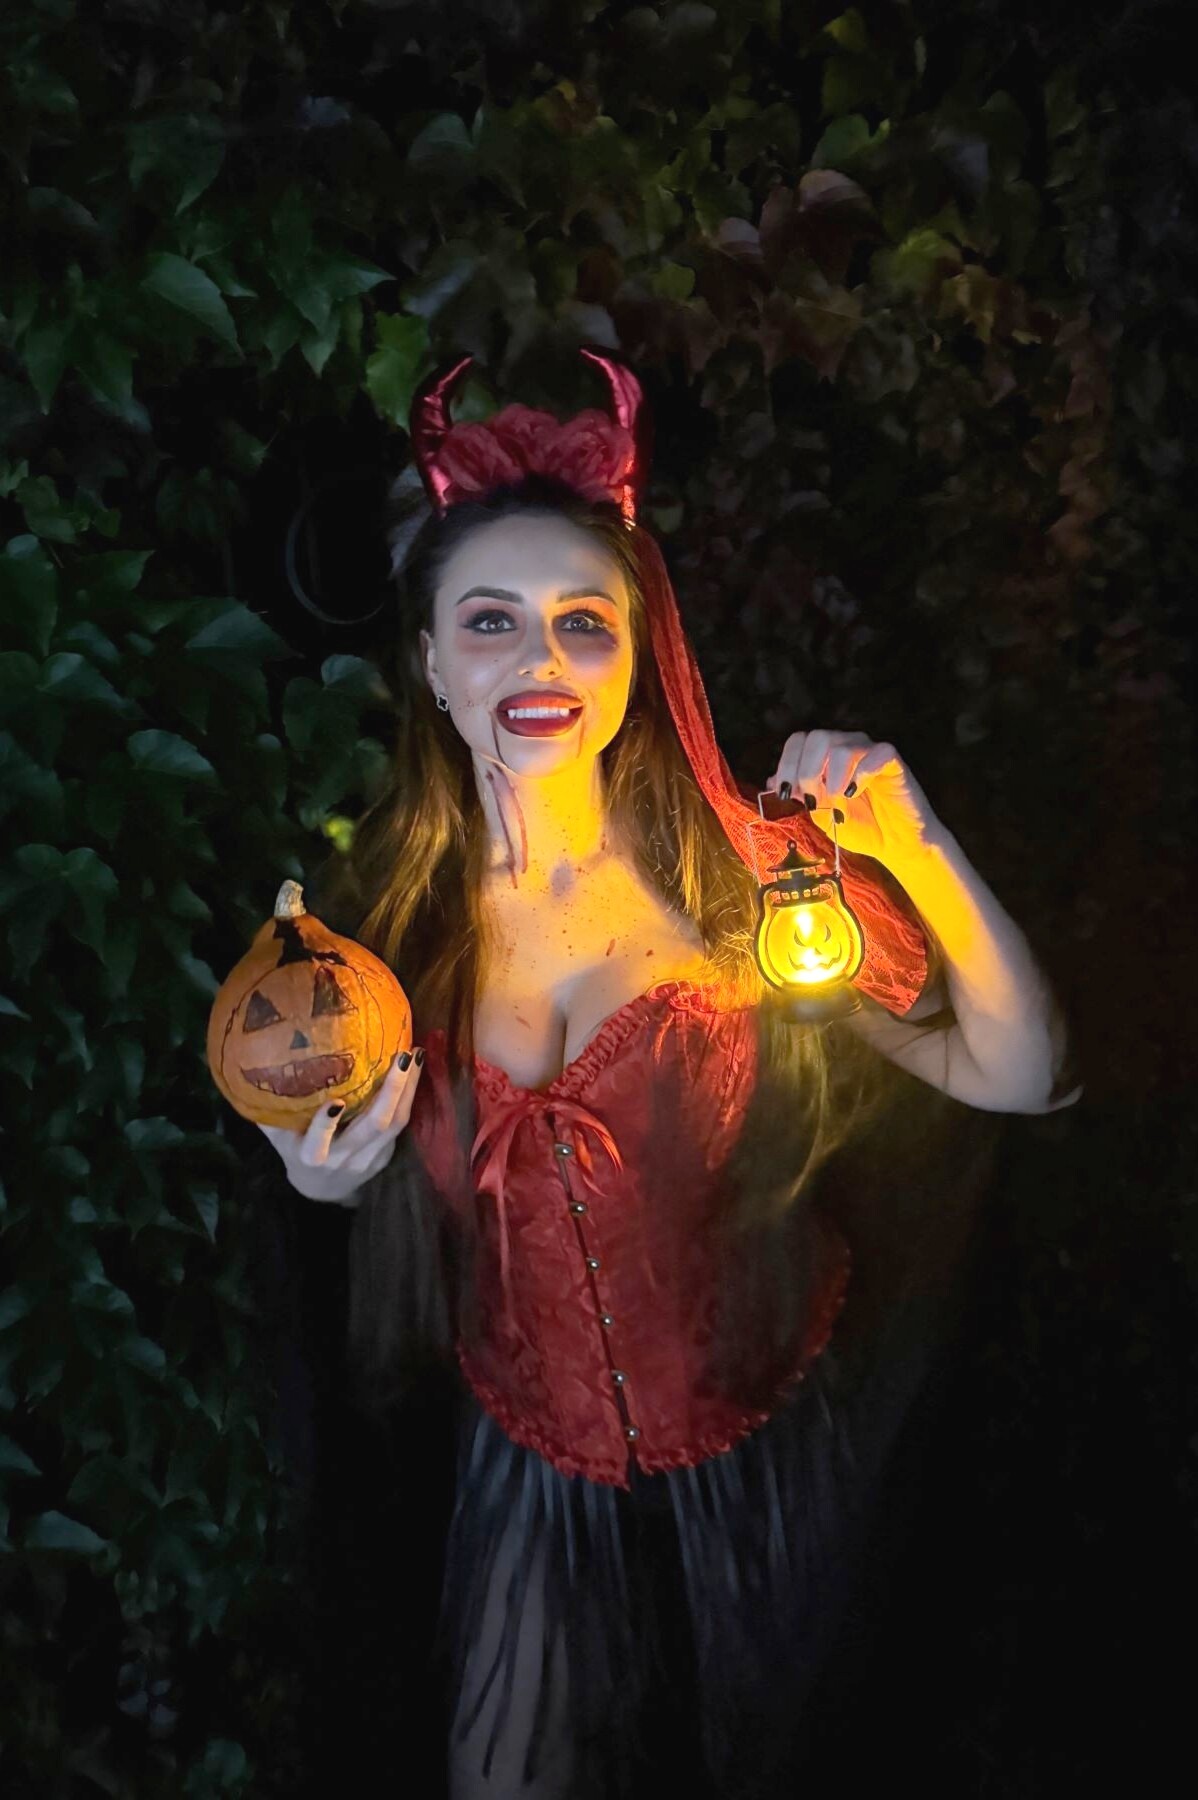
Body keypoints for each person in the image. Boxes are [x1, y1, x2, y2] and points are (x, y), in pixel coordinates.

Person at [248, 351, 1079, 1799]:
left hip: (771, 1438)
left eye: (584, 623)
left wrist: (917, 847)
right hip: (532, 1465)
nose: (540, 660)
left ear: (637, 658)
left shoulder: (743, 883)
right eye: (491, 622)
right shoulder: (380, 946)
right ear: (432, 665)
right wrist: (315, 1184)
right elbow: (330, 1195)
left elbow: (1016, 1076)